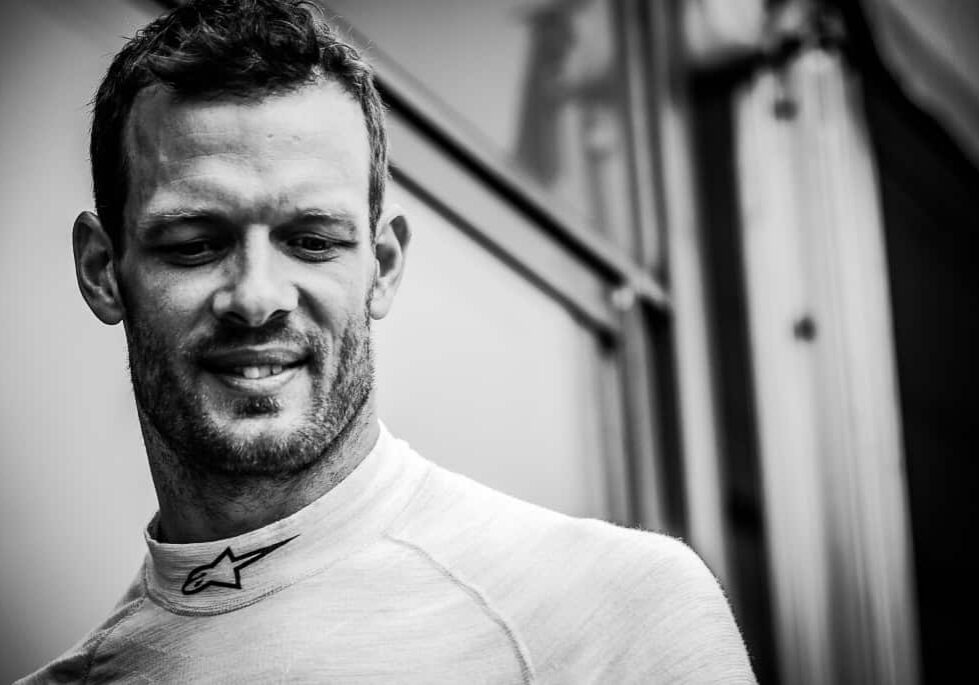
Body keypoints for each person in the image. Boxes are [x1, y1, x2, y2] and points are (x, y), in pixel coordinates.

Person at [18, 0, 756, 682]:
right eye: (194, 244)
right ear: (101, 270)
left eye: (310, 240)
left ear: (385, 265)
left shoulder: (606, 613)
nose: (256, 297)